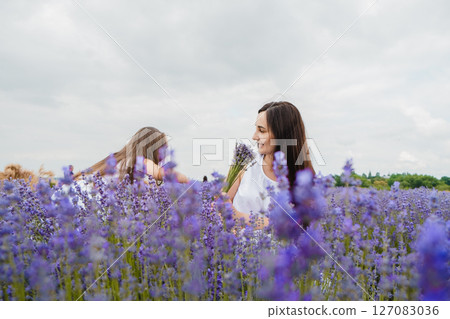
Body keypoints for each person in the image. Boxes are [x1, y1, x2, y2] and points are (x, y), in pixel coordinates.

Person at [226, 101, 315, 228]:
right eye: (255, 129)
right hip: (238, 246)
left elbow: (294, 224)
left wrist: (237, 215)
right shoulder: (243, 164)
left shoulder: (303, 179)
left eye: (261, 130)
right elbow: (221, 204)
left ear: (281, 135)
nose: (254, 136)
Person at [74, 127, 189, 183]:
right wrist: (189, 185)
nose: (164, 157)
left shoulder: (117, 158)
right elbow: (162, 174)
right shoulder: (142, 162)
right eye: (163, 150)